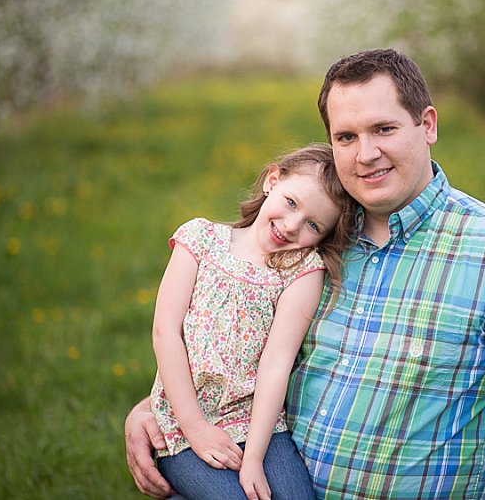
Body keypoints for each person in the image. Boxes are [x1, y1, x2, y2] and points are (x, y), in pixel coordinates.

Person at [126, 49, 485, 499]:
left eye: (383, 129)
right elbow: (235, 348)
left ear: (427, 125)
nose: (366, 154)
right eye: (346, 137)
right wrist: (154, 410)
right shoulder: (311, 246)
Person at [146, 143, 357, 500]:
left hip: (259, 424)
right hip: (183, 422)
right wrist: (195, 427)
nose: (291, 226)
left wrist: (255, 458)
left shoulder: (302, 271)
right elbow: (165, 332)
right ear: (272, 180)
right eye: (292, 202)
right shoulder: (200, 240)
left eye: (312, 225)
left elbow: (277, 362)